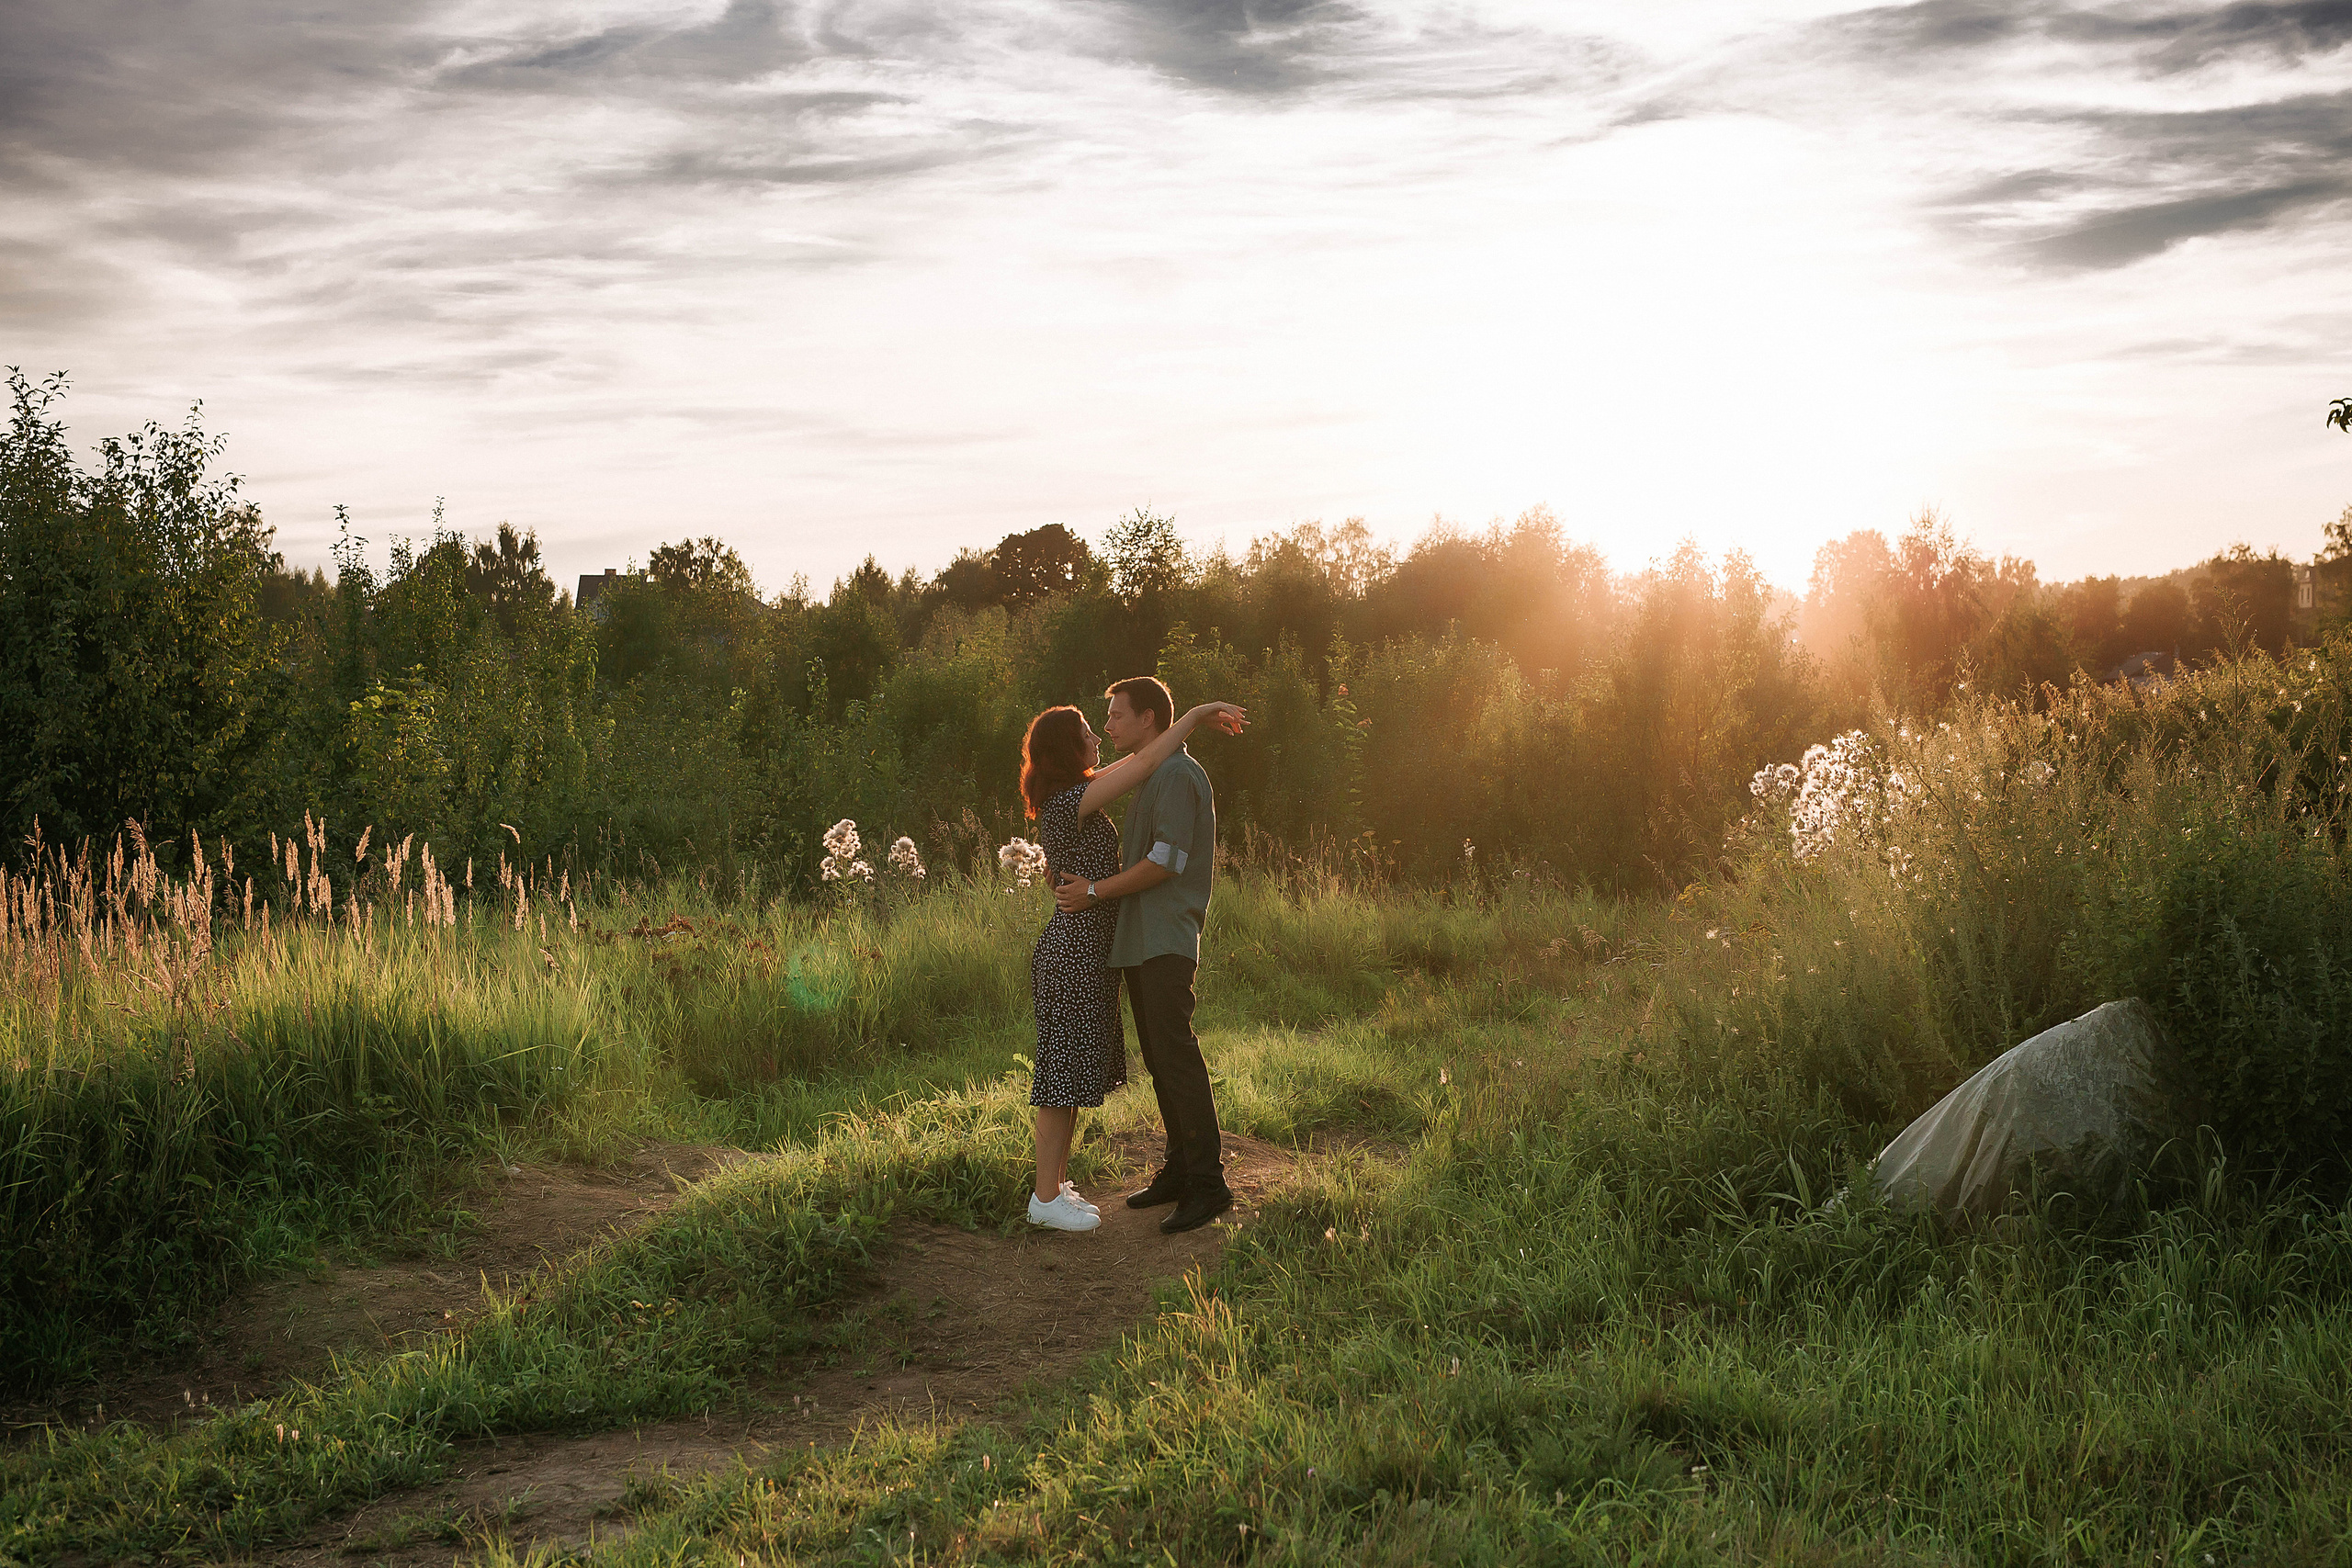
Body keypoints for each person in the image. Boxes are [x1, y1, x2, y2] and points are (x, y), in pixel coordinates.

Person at [1019, 693, 1246, 1232]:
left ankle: (1194, 1180)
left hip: (1111, 948)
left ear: (1147, 718)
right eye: (1088, 729)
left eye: (1113, 717)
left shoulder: (1122, 783)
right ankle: (1048, 1196)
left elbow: (1145, 766)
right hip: (1077, 953)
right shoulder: (1072, 800)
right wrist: (1194, 717)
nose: (1100, 731)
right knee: (1065, 1073)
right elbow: (1143, 763)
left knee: (1124, 1064)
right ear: (1066, 750)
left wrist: (1188, 719)